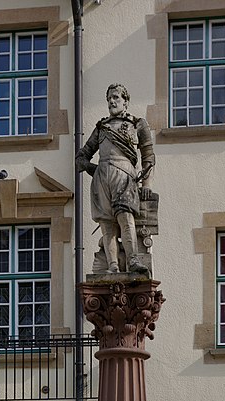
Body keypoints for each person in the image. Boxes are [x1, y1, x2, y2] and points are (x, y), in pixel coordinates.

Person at [76, 83, 155, 273]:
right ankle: (112, 266)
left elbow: (149, 157)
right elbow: (81, 157)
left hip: (125, 176)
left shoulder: (137, 124)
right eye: (109, 98)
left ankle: (133, 261)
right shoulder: (101, 127)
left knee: (125, 218)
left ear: (125, 102)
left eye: (116, 97)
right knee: (107, 224)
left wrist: (147, 184)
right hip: (102, 179)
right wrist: (95, 169)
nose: (112, 101)